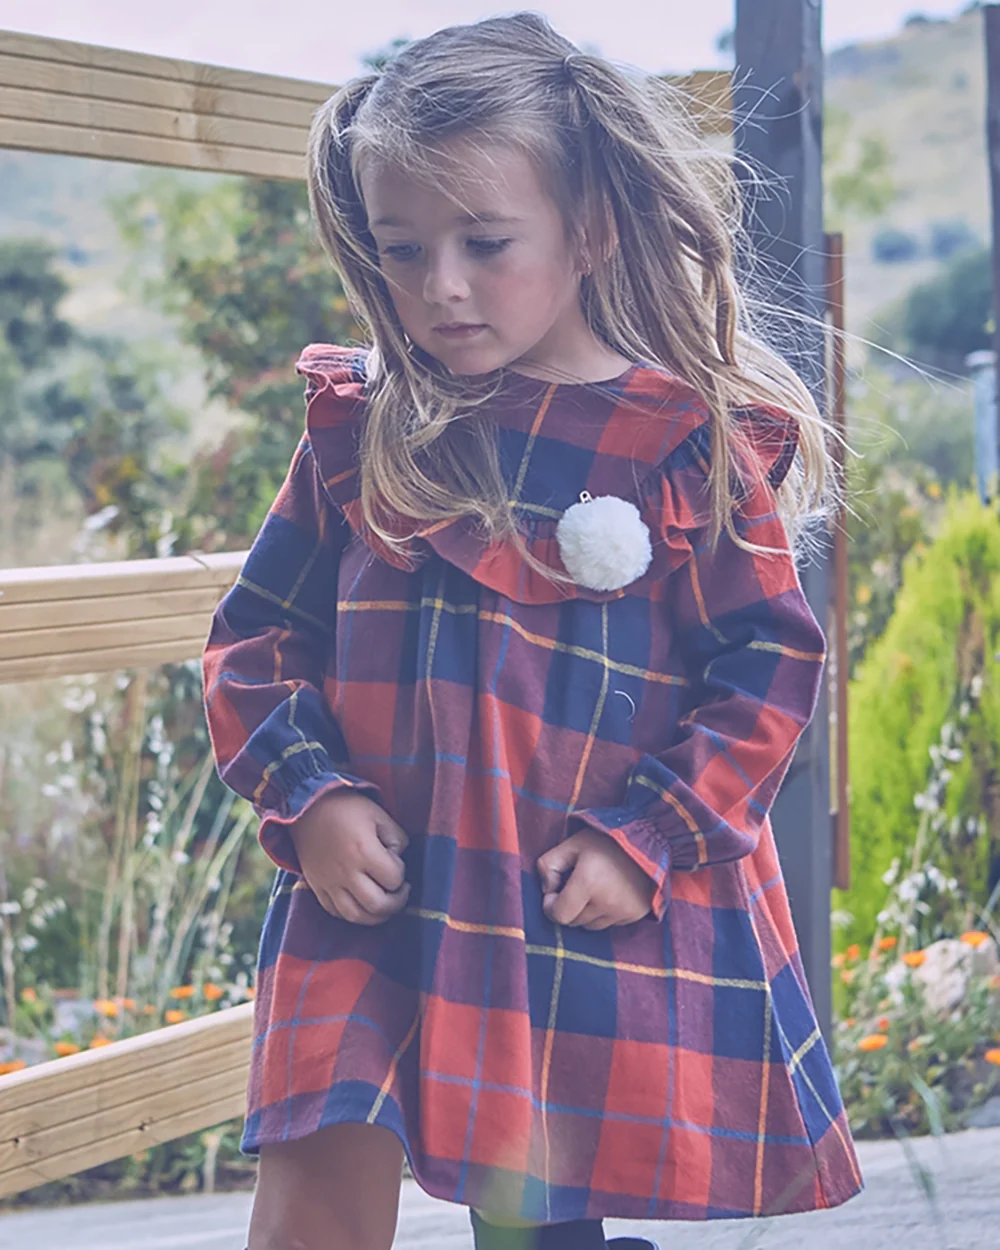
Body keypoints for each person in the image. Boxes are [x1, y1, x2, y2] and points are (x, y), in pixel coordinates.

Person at [202, 13, 863, 1249]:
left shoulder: (686, 445)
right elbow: (255, 642)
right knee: (311, 1188)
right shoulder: (366, 430)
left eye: (484, 242)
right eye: (403, 250)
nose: (439, 286)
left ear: (589, 228)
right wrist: (312, 796)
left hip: (561, 904)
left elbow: (767, 670)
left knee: (530, 1221)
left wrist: (644, 837)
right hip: (374, 896)